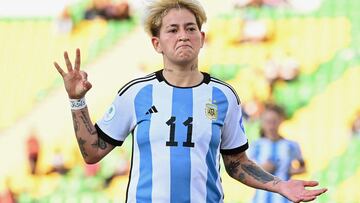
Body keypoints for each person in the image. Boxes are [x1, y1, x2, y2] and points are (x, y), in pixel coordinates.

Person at [53, 0, 327, 202]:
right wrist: (77, 101)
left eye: (190, 28)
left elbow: (236, 162)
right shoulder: (135, 93)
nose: (183, 35)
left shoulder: (224, 96)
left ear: (202, 38)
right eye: (172, 30)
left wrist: (279, 185)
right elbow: (92, 153)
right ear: (156, 43)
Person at [249, 103, 307, 203]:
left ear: (280, 121)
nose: (271, 125)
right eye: (268, 122)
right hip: (261, 199)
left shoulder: (291, 145)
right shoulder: (256, 145)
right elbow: (246, 170)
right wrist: (261, 169)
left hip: (284, 199)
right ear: (262, 123)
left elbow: (303, 167)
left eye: (274, 121)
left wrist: (289, 171)